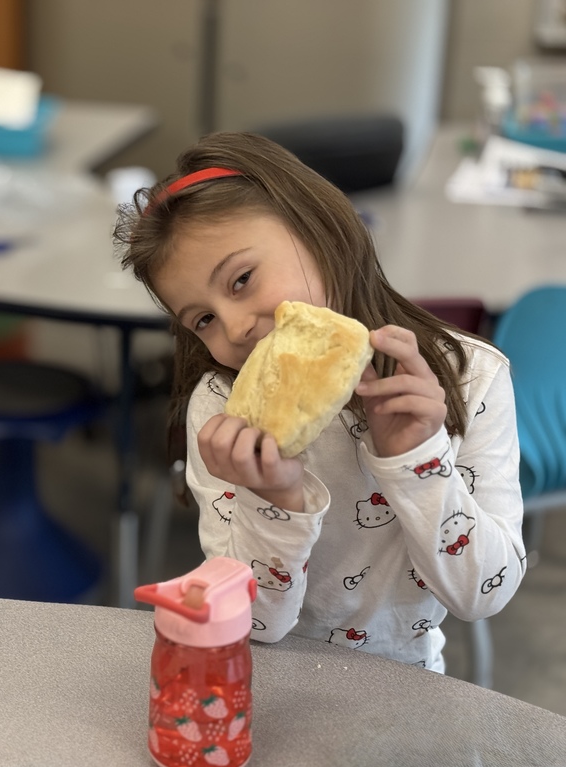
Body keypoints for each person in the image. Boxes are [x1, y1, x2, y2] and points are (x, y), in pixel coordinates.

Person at [113, 132, 525, 671]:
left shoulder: (467, 379)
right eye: (203, 320)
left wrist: (416, 458)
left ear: (317, 229)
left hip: (408, 682)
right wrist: (275, 498)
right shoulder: (220, 409)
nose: (235, 327)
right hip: (270, 681)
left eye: (241, 279)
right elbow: (256, 625)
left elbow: (482, 595)